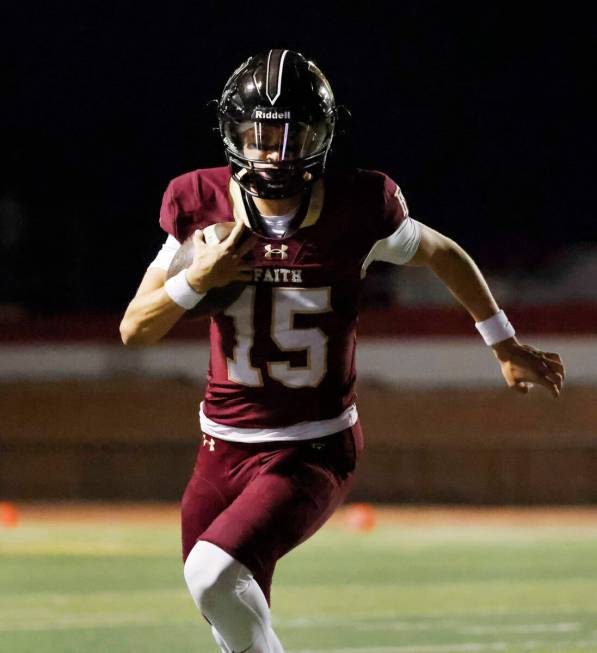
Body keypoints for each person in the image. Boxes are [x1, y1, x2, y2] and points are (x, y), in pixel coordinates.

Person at [119, 49, 565, 653]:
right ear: (234, 133)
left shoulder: (360, 207)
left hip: (312, 447)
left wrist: (502, 341)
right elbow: (135, 330)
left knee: (212, 575)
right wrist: (199, 277)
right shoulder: (201, 206)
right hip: (218, 450)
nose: (274, 152)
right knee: (226, 612)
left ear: (319, 136)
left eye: (290, 133)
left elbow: (442, 253)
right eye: (260, 133)